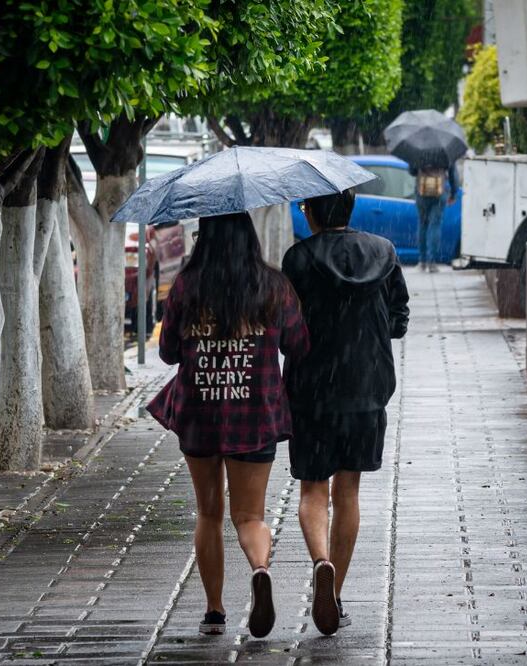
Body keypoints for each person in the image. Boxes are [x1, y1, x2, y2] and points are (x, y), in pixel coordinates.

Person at [147, 212, 309, 638]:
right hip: (254, 413)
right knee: (250, 515)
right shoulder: (273, 286)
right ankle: (259, 569)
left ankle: (214, 611)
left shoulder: (187, 285)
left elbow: (167, 353)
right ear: (249, 237)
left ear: (206, 237)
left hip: (200, 414)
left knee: (208, 512)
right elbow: (298, 343)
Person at [282, 189, 409, 635]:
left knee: (312, 491)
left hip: (312, 389)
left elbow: (287, 326)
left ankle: (321, 561)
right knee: (348, 491)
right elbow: (399, 317)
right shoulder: (384, 252)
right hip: (366, 387)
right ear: (350, 209)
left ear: (312, 212)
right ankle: (335, 592)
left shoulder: (297, 259)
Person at [408, 160, 460, 272]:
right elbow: (453, 174)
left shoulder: (418, 149)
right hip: (439, 192)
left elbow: (412, 171)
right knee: (435, 225)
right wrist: (454, 193)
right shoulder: (445, 151)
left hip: (421, 191)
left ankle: (422, 261)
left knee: (422, 224)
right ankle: (432, 263)